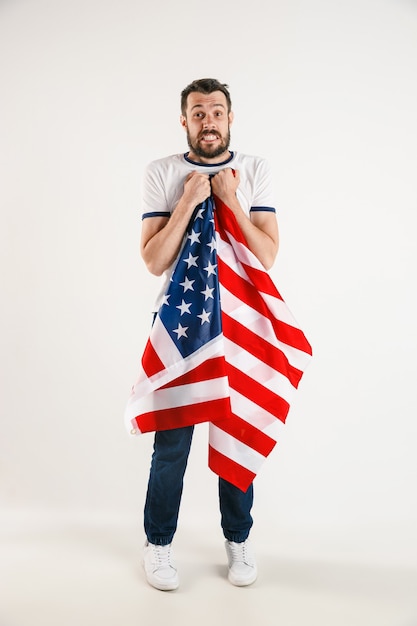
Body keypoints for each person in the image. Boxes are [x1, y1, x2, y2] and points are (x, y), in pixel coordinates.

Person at [139, 78, 279, 591]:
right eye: (197, 113)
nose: (208, 121)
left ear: (230, 118)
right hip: (183, 329)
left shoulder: (254, 170)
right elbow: (154, 260)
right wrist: (188, 201)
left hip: (243, 325)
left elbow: (266, 255)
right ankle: (157, 546)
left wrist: (229, 199)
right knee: (172, 443)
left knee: (236, 437)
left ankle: (238, 540)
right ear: (185, 121)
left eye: (216, 112)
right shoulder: (163, 172)